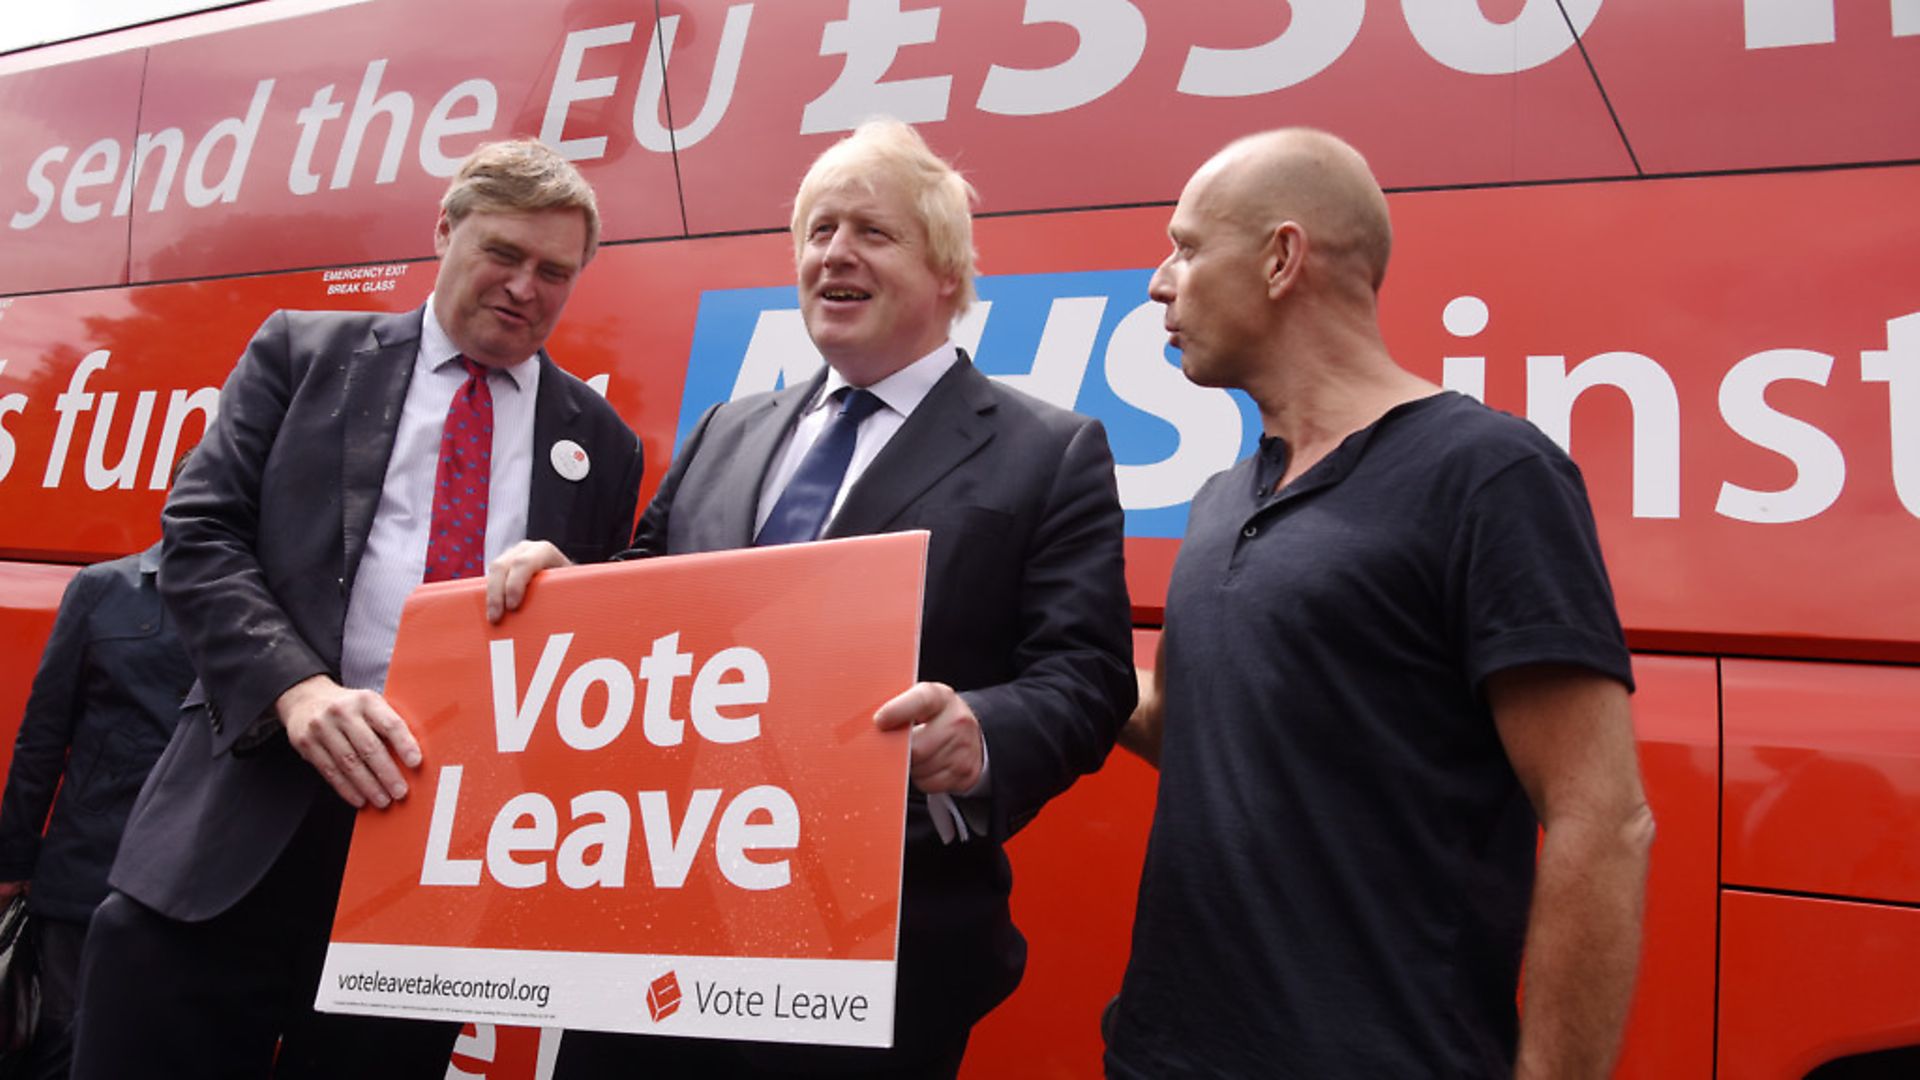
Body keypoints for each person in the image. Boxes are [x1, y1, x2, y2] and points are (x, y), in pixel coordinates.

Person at [488, 118, 1136, 1078]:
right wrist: (568, 596)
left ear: (948, 273)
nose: (835, 252)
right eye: (818, 231)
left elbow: (1086, 676)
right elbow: (649, 599)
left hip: (874, 949)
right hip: (649, 924)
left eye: (872, 233)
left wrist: (980, 734)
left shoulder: (1049, 452)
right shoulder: (726, 428)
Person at [69, 138, 645, 1080]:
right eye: (502, 253)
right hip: (234, 838)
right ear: (445, 231)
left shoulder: (599, 442)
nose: (524, 288)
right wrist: (297, 693)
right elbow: (200, 531)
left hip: (429, 880)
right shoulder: (305, 353)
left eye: (554, 271)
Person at [1105, 128, 1654, 1079]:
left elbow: (1601, 820)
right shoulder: (1221, 499)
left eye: (1189, 248)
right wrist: (1035, 646)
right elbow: (1200, 734)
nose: (1161, 283)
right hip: (1163, 1056)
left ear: (1282, 258)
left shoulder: (1488, 474)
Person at [0, 478, 196, 1080]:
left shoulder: (261, 605)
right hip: (86, 880)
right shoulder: (101, 589)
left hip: (193, 890)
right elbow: (42, 737)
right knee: (60, 1050)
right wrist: (11, 866)